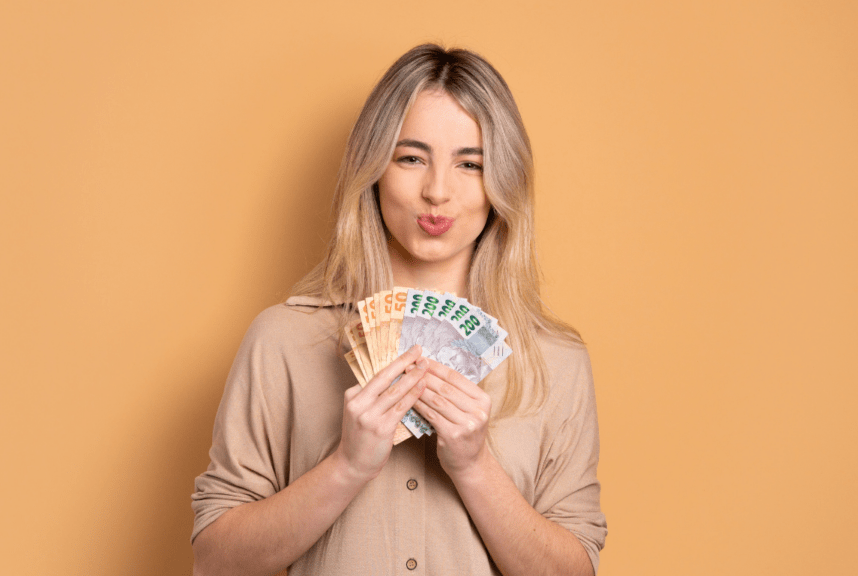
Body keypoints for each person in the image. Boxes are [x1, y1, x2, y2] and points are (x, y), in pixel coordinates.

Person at [191, 44, 606, 576]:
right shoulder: (283, 339)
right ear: (374, 169)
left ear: (501, 180)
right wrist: (346, 466)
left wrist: (475, 467)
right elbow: (215, 562)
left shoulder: (558, 361)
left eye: (470, 163)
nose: (437, 191)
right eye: (411, 158)